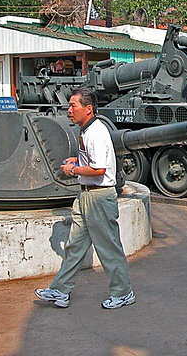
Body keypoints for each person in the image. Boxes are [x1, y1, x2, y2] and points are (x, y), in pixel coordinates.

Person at [35, 88, 135, 310]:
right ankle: (60, 291)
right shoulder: (87, 130)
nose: (69, 110)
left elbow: (99, 169)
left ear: (88, 109)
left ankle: (123, 292)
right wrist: (77, 160)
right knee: (75, 246)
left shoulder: (96, 133)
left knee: (108, 247)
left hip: (99, 197)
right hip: (87, 196)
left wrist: (73, 170)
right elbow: (93, 161)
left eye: (73, 106)